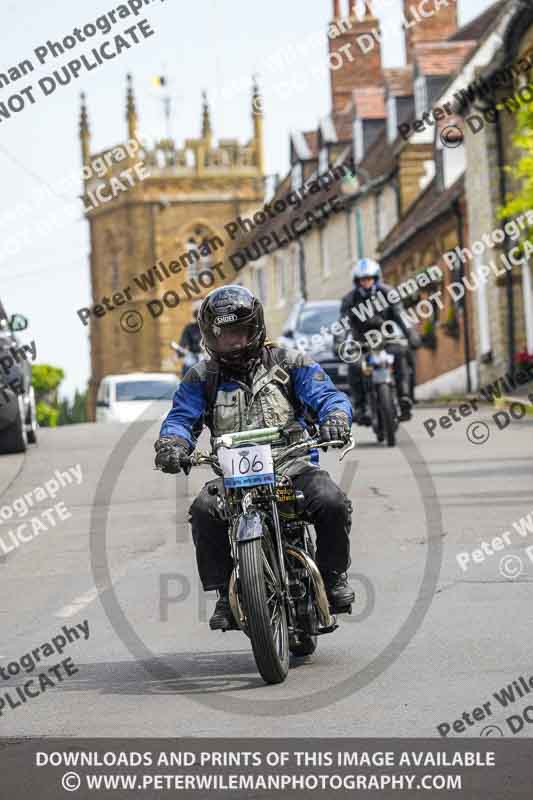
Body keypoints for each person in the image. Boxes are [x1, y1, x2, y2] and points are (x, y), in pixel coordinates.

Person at [154, 285, 355, 631]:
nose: (231, 342)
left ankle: (333, 576)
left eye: (238, 332)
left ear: (255, 328)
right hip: (234, 476)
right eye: (222, 335)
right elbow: (181, 418)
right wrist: (172, 443)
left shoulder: (290, 362)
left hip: (292, 464)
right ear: (207, 337)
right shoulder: (202, 377)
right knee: (203, 510)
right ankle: (223, 592)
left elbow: (326, 395)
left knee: (332, 500)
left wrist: (335, 418)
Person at [340, 258, 418, 425]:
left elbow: (400, 314)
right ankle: (360, 406)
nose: (366, 282)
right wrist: (339, 342)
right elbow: (342, 324)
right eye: (363, 279)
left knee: (402, 354)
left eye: (369, 279)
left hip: (387, 339)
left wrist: (411, 334)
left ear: (376, 278)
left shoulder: (388, 293)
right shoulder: (349, 299)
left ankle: (405, 398)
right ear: (357, 281)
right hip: (361, 342)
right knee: (354, 365)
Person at [177, 304, 202, 376]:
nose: (199, 316)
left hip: (208, 355)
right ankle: (185, 384)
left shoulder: (210, 327)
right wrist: (180, 352)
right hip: (193, 354)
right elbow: (183, 342)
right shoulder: (189, 328)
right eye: (197, 314)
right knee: (188, 365)